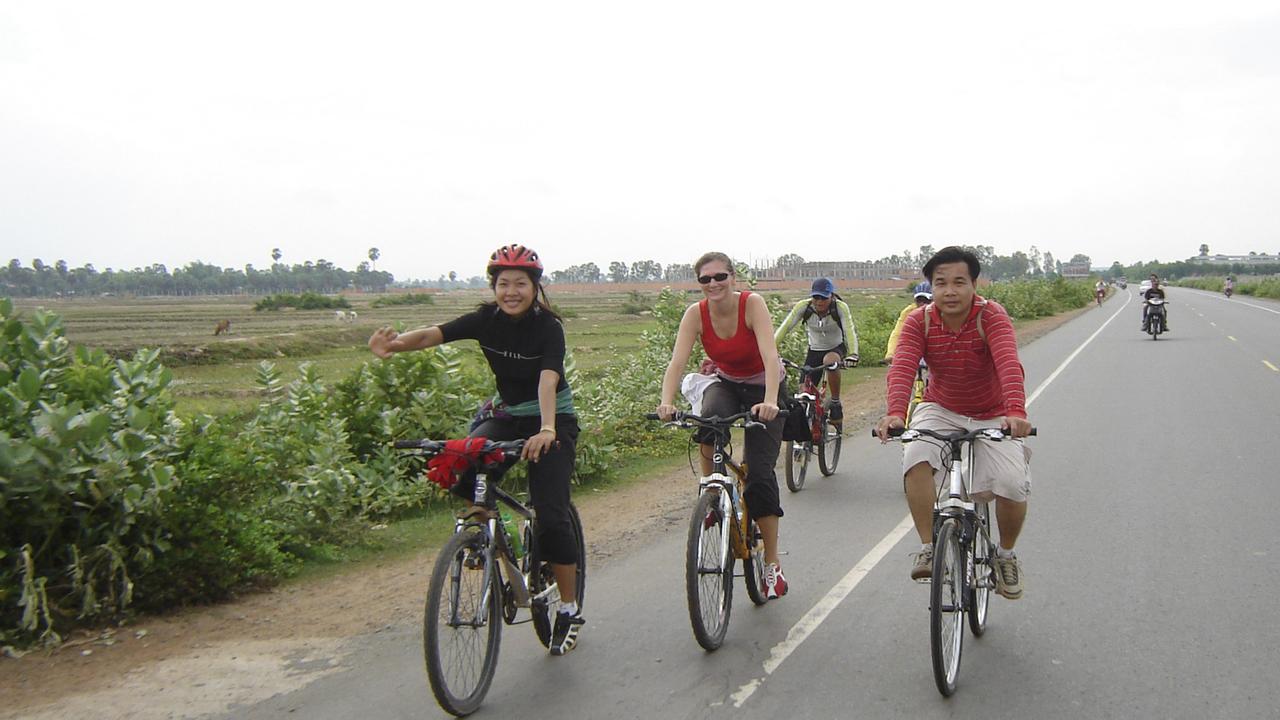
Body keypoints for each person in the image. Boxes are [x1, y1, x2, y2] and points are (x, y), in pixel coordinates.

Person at [368, 243, 585, 655]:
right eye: (504, 284)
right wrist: (394, 347)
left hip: (551, 416)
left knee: (552, 514)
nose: (511, 292)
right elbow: (436, 334)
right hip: (505, 413)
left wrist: (547, 428)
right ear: (494, 287)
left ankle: (570, 609)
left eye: (521, 284)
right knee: (461, 466)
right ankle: (486, 535)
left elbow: (547, 379)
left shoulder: (548, 326)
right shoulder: (486, 319)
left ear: (535, 288)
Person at [875, 246, 1033, 600]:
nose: (949, 291)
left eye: (959, 282)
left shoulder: (991, 316)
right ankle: (930, 546)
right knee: (914, 458)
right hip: (941, 406)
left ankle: (1005, 556)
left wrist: (1016, 413)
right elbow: (902, 366)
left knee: (1012, 482)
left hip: (993, 410)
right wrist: (896, 413)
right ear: (930, 287)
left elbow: (1009, 364)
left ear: (974, 284)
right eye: (940, 283)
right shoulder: (921, 320)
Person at [656, 252, 789, 599]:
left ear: (733, 278)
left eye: (719, 277)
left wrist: (771, 401)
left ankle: (772, 565)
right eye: (705, 279)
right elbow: (677, 361)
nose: (713, 284)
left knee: (759, 475)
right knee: (708, 421)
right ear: (699, 283)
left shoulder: (752, 304)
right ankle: (712, 490)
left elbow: (771, 356)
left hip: (765, 384)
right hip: (727, 382)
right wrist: (666, 402)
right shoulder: (695, 314)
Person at [774, 277, 859, 420]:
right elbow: (785, 327)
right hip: (814, 350)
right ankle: (810, 421)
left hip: (836, 347)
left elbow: (849, 331)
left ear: (831, 296)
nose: (819, 301)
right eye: (816, 297)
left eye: (824, 298)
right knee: (803, 391)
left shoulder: (840, 308)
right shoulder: (804, 307)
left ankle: (835, 402)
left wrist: (853, 354)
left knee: (830, 361)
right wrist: (769, 349)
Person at [883, 281, 933, 364]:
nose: (922, 304)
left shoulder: (944, 311)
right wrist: (891, 354)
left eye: (926, 300)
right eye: (919, 300)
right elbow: (898, 333)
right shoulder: (909, 311)